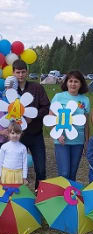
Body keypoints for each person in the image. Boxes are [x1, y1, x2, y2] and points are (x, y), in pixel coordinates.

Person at [13, 59, 50, 190]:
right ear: (13, 73)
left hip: (35, 134)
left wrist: (33, 117)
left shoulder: (37, 88)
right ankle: (17, 194)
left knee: (40, 168)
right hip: (17, 136)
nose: (21, 75)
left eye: (23, 72)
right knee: (16, 167)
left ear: (27, 73)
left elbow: (46, 107)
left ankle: (39, 192)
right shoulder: (9, 91)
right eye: (18, 72)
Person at [50, 70, 90, 181]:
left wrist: (86, 142)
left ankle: (70, 197)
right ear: (66, 83)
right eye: (70, 81)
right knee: (64, 172)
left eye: (76, 81)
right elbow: (51, 118)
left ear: (81, 84)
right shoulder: (58, 97)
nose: (73, 84)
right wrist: (57, 135)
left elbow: (86, 123)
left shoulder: (85, 100)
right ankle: (62, 196)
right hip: (62, 141)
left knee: (72, 174)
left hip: (78, 141)